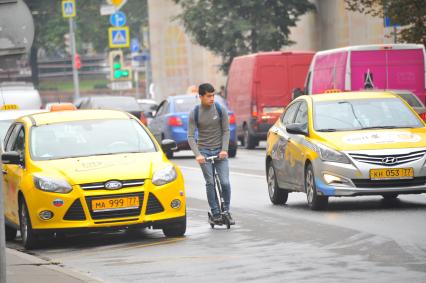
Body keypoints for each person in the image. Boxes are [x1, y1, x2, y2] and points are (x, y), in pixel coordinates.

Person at [188, 83, 235, 225]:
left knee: (225, 182)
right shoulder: (195, 113)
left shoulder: (220, 110)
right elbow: (190, 136)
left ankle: (226, 210)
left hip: (220, 152)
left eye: (213, 95)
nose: (212, 98)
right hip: (204, 152)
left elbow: (226, 131)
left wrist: (224, 150)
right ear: (200, 96)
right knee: (210, 182)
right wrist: (198, 155)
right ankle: (215, 213)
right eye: (209, 96)